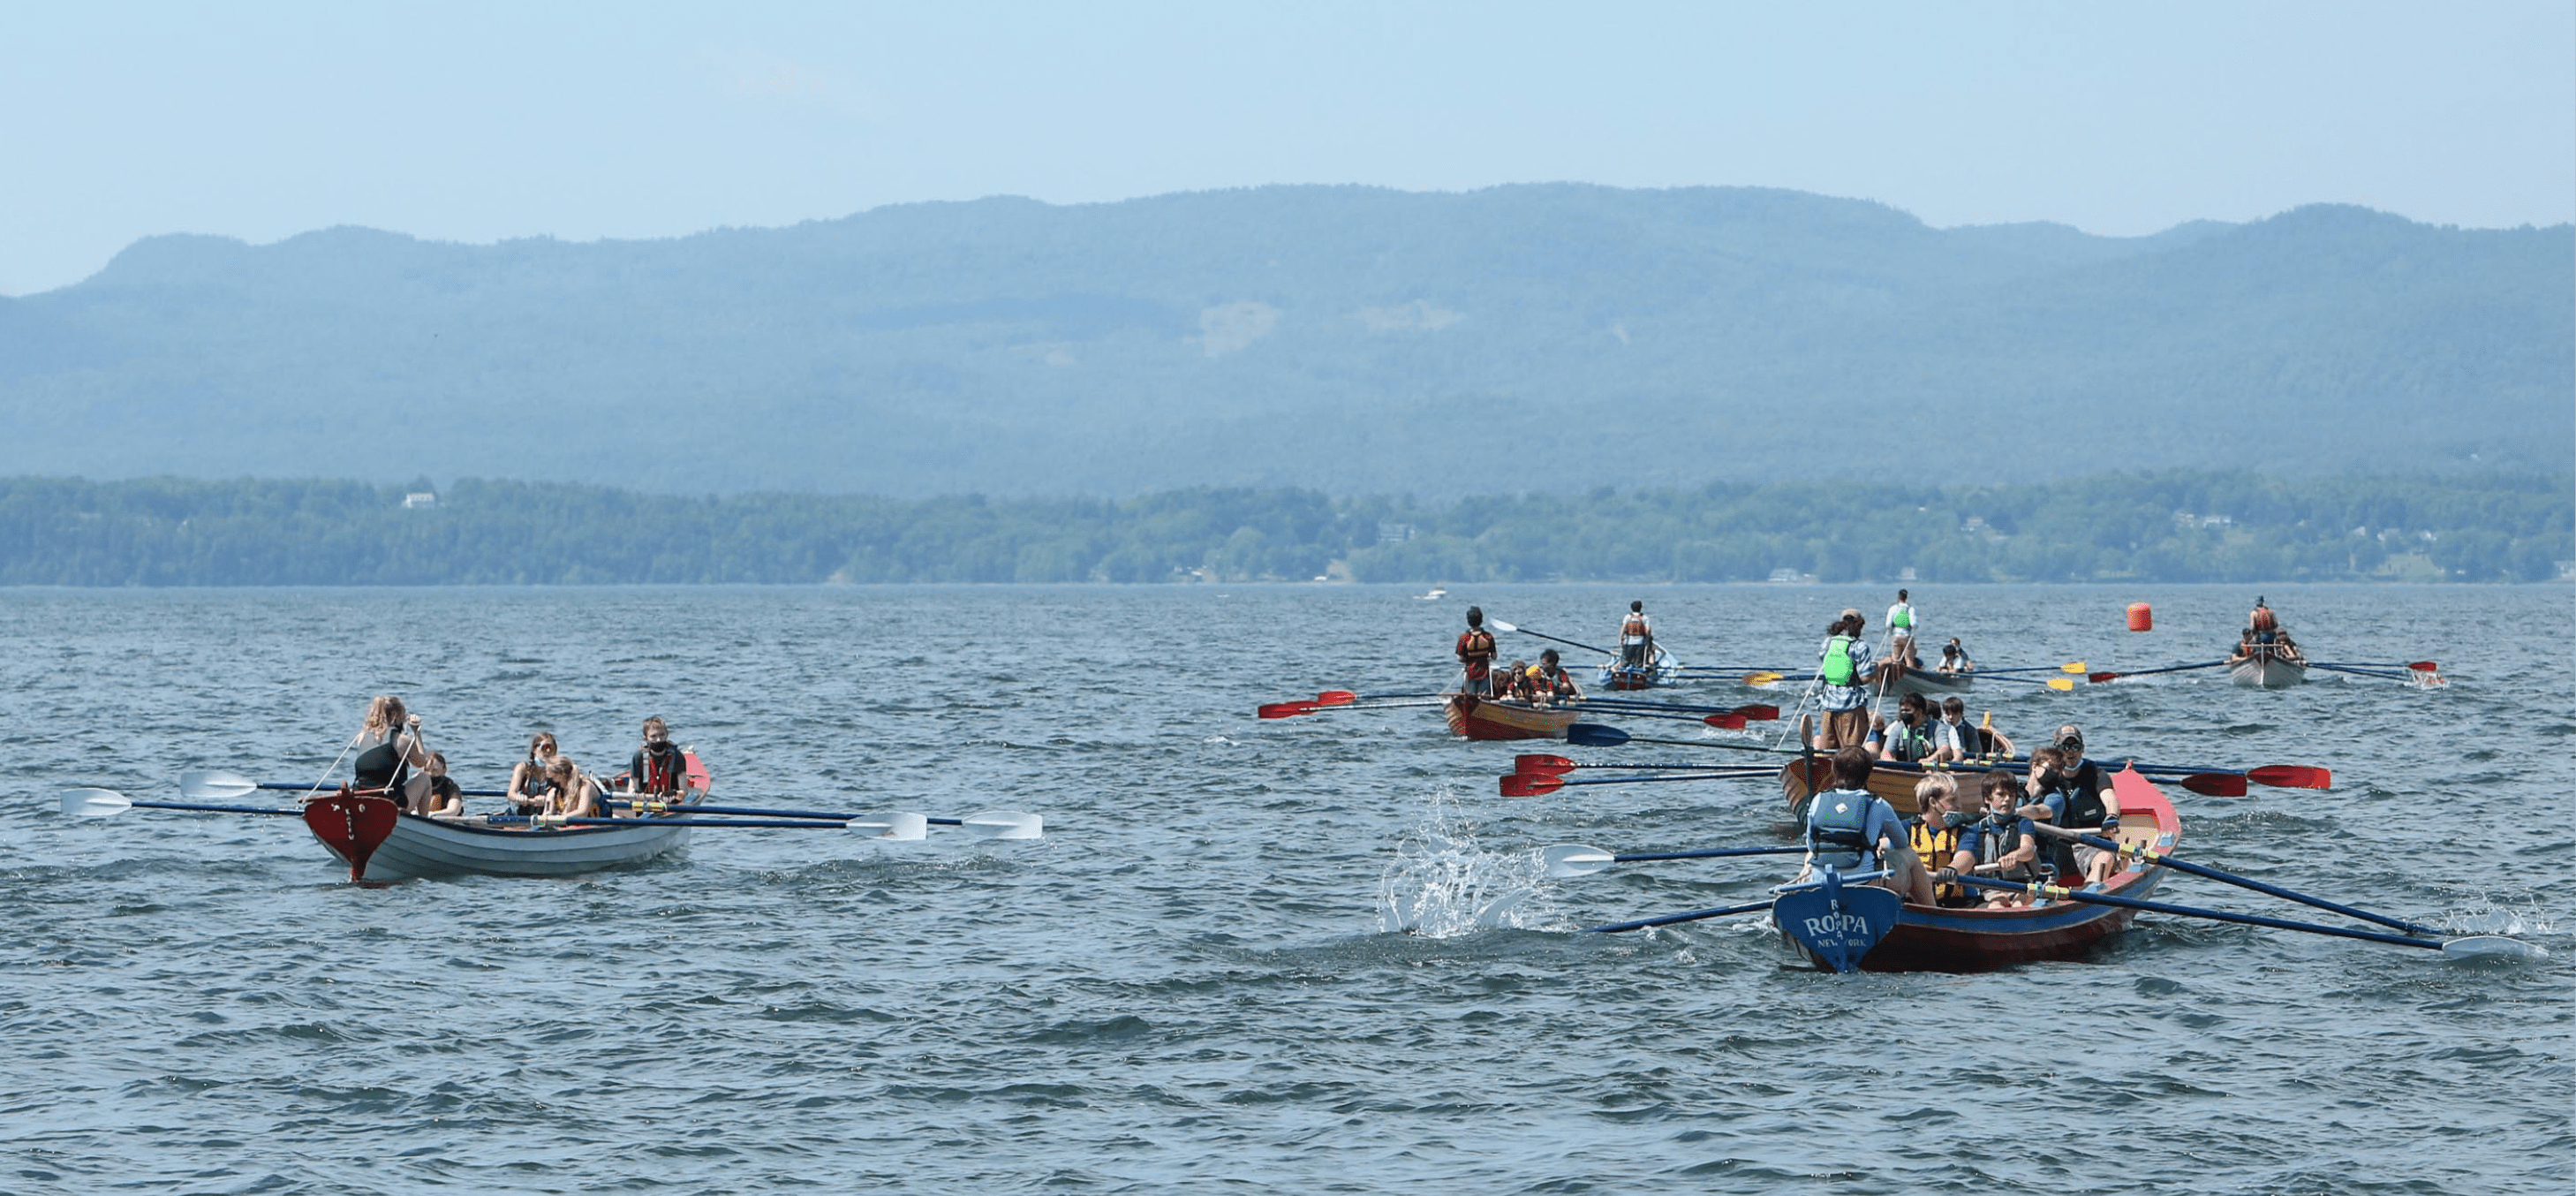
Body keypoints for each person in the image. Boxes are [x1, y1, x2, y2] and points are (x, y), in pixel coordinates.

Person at [1800, 746, 1935, 905]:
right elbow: (1901, 843)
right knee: (1910, 856)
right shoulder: (1878, 804)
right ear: (1868, 775)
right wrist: (1880, 847)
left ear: (1835, 771)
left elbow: (1811, 844)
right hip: (1863, 884)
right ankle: (1933, 913)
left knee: (1809, 856)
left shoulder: (1817, 800)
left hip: (1821, 882)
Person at [2022, 726, 2123, 887]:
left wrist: (2112, 816)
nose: (2071, 752)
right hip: (2057, 843)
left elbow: (2109, 796)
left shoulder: (2095, 774)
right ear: (2057, 749)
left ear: (2082, 749)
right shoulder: (2049, 776)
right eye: (2065, 747)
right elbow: (2033, 802)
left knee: (2105, 858)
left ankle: (2089, 895)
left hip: (2092, 842)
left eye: (2076, 747)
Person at [1950, 768, 2043, 906]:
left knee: (2018, 904)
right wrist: (1952, 870)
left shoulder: (2024, 823)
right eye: (2001, 794)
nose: (2007, 799)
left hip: (2023, 886)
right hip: (1990, 889)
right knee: (1996, 905)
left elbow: (2028, 849)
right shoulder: (1975, 829)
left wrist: (2015, 856)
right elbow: (1964, 856)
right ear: (1988, 798)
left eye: (2012, 796)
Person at [351, 696, 433, 811]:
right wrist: (416, 732)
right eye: (403, 716)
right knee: (425, 778)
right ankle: (424, 825)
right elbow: (421, 763)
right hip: (390, 801)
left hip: (362, 799)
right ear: (396, 716)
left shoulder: (361, 737)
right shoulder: (402, 740)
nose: (404, 720)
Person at [1813, 609, 1879, 751]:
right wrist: (1878, 669)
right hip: (1851, 706)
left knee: (1827, 753)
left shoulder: (1828, 643)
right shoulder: (1859, 646)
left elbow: (1822, 658)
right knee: (1851, 753)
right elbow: (1864, 677)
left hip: (1828, 705)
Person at [1907, 774, 1975, 906]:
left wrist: (1952, 869)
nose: (1959, 806)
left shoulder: (1966, 831)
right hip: (1916, 903)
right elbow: (1889, 844)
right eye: (1952, 801)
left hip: (1956, 904)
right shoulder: (1907, 828)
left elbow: (1967, 857)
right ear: (1933, 803)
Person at [1929, 697, 2013, 763]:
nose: (1950, 717)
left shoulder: (1970, 730)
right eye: (1947, 714)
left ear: (1961, 714)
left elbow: (1976, 754)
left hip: (1963, 763)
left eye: (1954, 714)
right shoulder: (1938, 726)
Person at [623, 716, 690, 798]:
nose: (658, 740)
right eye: (653, 736)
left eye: (662, 735)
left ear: (667, 735)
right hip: (644, 802)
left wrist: (675, 794)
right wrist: (636, 795)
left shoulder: (677, 756)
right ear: (645, 738)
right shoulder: (638, 757)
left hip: (671, 803)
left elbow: (684, 791)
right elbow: (631, 789)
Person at [506, 732, 560, 816]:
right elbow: (511, 794)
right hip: (518, 817)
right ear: (535, 750)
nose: (548, 752)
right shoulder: (523, 768)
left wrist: (546, 800)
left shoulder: (557, 773)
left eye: (552, 748)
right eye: (545, 748)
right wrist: (521, 798)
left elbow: (561, 799)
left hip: (544, 817)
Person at [1875, 692, 1936, 763]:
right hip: (1905, 768)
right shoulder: (1898, 727)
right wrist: (1891, 762)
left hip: (1929, 767)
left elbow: (1944, 749)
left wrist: (1929, 759)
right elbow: (1885, 753)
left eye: (1907, 710)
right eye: (1902, 711)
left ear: (1919, 711)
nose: (1904, 713)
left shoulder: (1935, 726)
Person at [540, 756, 608, 820]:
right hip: (573, 826)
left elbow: (583, 813)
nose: (549, 780)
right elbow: (546, 815)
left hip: (600, 824)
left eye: (552, 777)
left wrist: (557, 818)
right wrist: (546, 818)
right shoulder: (553, 792)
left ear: (561, 775)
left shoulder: (585, 786)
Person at [1455, 607, 1497, 691]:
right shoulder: (1488, 636)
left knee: (1471, 699)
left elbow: (1460, 658)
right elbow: (1494, 656)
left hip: (1470, 674)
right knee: (1484, 699)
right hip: (1484, 674)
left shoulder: (1464, 638)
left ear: (1468, 621)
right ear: (1481, 620)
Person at [420, 752, 466, 818]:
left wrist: (431, 815)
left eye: (434, 770)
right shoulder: (418, 786)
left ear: (444, 770)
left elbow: (454, 810)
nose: (430, 774)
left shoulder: (450, 786)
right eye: (427, 770)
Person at [1618, 601, 1655, 669]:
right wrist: (1647, 640)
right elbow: (1648, 631)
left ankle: (1622, 668)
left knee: (1624, 662)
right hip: (1640, 644)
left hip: (1628, 644)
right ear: (1641, 608)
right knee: (1638, 664)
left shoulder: (1627, 617)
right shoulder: (1645, 618)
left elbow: (1623, 629)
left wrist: (1620, 640)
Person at [1885, 588, 1918, 663]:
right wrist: (1916, 625)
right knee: (1909, 660)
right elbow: (1914, 624)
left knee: (1896, 659)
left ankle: (1896, 673)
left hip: (1896, 637)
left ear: (1898, 597)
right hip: (1907, 637)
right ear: (1906, 598)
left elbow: (1888, 625)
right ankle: (1910, 672)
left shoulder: (1893, 608)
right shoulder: (1910, 609)